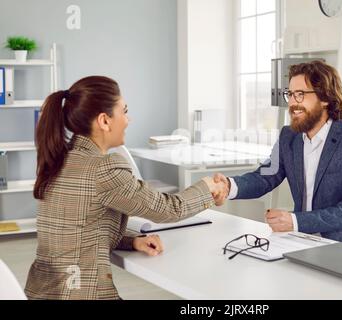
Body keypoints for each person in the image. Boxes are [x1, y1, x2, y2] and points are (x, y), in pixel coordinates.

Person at [25, 76, 228, 300]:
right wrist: (208, 188)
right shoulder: (103, 168)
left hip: (43, 292)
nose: (128, 119)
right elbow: (169, 210)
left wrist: (132, 241)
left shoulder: (61, 160)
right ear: (104, 121)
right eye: (124, 110)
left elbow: (80, 231)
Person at [213, 60, 342, 250]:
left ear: (325, 97)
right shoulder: (289, 136)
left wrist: (296, 221)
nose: (292, 103)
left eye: (300, 94)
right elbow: (266, 176)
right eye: (290, 94)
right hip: (302, 243)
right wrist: (228, 186)